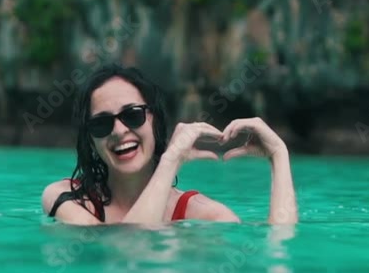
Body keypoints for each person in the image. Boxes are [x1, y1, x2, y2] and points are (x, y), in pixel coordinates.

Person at [41, 64, 298, 225]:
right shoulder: (69, 198)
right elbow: (130, 250)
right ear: (90, 139)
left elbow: (279, 250)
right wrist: (171, 160)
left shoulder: (203, 214)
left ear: (156, 120)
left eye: (133, 115)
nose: (119, 131)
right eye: (101, 124)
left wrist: (279, 154)